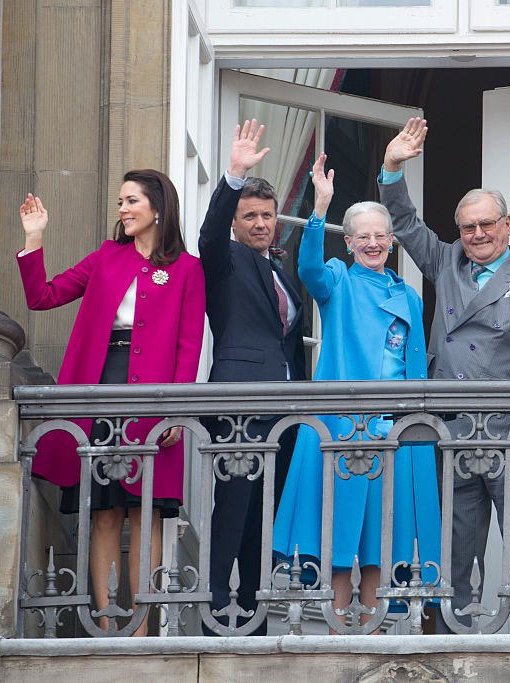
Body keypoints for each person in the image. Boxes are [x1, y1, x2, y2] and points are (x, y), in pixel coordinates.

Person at [378, 119, 510, 633]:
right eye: (467, 227)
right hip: (453, 428)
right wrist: (393, 166)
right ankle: (449, 633)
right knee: (455, 544)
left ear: (507, 225)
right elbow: (406, 222)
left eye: (487, 225)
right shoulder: (446, 261)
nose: (477, 235)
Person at [17, 170, 205, 636]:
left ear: (157, 207)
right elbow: (43, 297)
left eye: (131, 200)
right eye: (120, 201)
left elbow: (189, 344)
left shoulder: (187, 268)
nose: (122, 209)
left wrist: (176, 408)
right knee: (104, 511)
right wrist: (34, 238)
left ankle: (140, 624)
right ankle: (106, 619)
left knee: (147, 514)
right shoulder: (107, 256)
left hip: (155, 398)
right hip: (100, 390)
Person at [272, 153, 441, 630]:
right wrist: (319, 206)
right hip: (344, 425)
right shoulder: (338, 279)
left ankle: (372, 629)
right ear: (347, 243)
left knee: (380, 538)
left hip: (395, 424)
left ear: (392, 242)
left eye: (380, 235)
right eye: (362, 236)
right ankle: (338, 627)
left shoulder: (408, 294)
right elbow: (309, 270)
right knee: (340, 534)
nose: (372, 243)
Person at [198, 119, 306, 634]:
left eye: (267, 214)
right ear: (238, 221)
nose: (261, 223)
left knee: (265, 516)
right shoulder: (225, 261)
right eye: (251, 215)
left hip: (283, 411)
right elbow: (208, 233)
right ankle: (217, 610)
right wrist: (234, 177)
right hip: (241, 404)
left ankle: (254, 611)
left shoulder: (281, 272)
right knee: (234, 508)